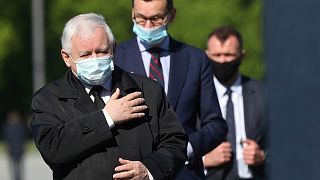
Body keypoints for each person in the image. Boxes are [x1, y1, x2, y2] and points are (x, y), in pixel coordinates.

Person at [30, 13, 187, 180]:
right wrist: (106, 118)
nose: (95, 59)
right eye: (85, 55)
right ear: (67, 57)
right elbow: (52, 149)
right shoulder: (48, 99)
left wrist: (149, 169)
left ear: (114, 48)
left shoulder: (147, 90)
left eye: (102, 51)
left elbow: (175, 143)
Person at [114, 0, 228, 179]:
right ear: (132, 14)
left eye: (156, 19)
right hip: (132, 172)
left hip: (184, 171)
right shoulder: (116, 58)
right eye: (141, 18)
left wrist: (183, 149)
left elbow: (216, 125)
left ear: (171, 15)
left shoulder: (195, 59)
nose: (148, 26)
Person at [203, 26, 267, 180]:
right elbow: (176, 146)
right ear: (207, 55)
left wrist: (263, 156)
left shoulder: (264, 94)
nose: (223, 60)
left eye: (229, 55)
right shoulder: (195, 95)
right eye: (217, 55)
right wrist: (204, 160)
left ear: (241, 56)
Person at [3, 110, 27, 180]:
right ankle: (19, 177)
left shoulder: (7, 128)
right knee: (19, 165)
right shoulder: (21, 127)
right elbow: (24, 137)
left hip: (11, 149)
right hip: (20, 149)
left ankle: (15, 177)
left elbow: (6, 139)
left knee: (13, 165)